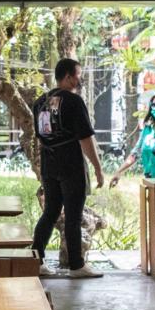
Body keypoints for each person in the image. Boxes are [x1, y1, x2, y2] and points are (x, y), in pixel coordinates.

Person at [31, 58, 105, 279]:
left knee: (51, 211)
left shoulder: (40, 103)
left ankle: (36, 259)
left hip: (49, 162)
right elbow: (85, 139)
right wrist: (98, 169)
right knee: (73, 214)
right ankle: (76, 265)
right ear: (68, 76)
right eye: (78, 75)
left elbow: (41, 135)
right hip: (70, 163)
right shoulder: (73, 102)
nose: (79, 79)